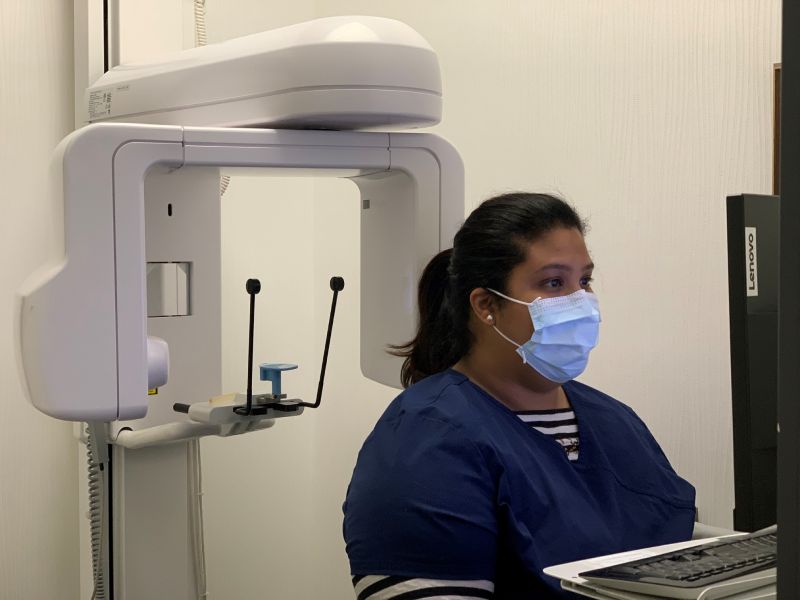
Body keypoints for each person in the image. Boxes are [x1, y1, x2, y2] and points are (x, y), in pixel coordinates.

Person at [342, 192, 696, 599]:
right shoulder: (424, 441)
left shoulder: (615, 420)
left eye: (584, 281)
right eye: (553, 282)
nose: (580, 302)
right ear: (486, 305)